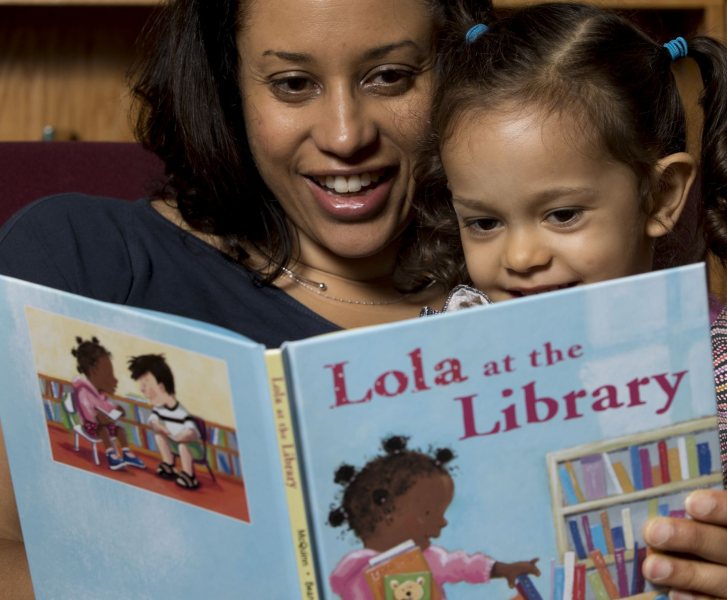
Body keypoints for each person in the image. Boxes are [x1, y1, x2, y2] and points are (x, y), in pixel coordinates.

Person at [0, 0, 490, 595]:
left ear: (460, 68)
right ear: (230, 90)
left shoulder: (533, 277)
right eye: (292, 83)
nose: (345, 134)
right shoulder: (82, 261)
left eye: (389, 77)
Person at [410, 2, 727, 597]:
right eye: (483, 223)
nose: (519, 257)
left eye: (562, 214)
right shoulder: (450, 350)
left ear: (661, 196)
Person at [327, 435, 540, 598]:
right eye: (428, 513)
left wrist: (506, 569)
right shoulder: (355, 572)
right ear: (388, 514)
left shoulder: (429, 558)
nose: (443, 522)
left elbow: (463, 565)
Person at [128, 354, 204, 490]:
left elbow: (192, 432)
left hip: (192, 447)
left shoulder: (181, 412)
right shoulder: (159, 409)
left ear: (161, 387)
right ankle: (169, 464)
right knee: (159, 435)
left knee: (183, 446)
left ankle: (189, 476)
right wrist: (160, 428)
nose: (142, 389)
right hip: (173, 441)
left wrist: (182, 437)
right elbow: (153, 421)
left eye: (145, 384)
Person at [70, 336, 147, 471]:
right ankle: (111, 455)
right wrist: (96, 417)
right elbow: (86, 411)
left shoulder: (99, 393)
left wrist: (116, 409)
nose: (113, 380)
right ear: (93, 372)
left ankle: (126, 453)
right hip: (91, 425)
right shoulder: (82, 391)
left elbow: (106, 405)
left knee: (120, 430)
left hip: (104, 422)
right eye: (108, 374)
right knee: (103, 430)